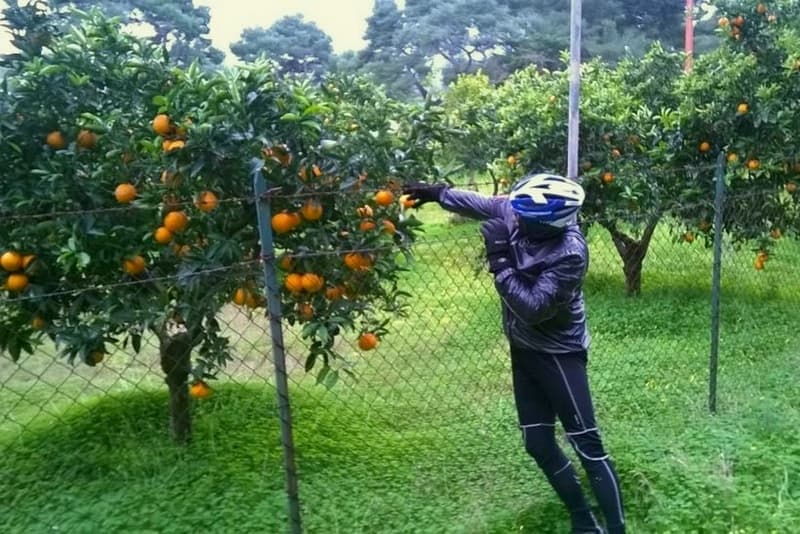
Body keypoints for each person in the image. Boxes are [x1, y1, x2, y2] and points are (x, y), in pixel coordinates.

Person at [403, 174, 626, 534]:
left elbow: (533, 308)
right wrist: (439, 194)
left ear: (548, 224)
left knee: (587, 444)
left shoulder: (569, 252)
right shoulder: (519, 210)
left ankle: (616, 529)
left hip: (559, 354)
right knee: (538, 444)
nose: (514, 219)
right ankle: (583, 521)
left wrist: (500, 260)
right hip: (523, 349)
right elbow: (487, 205)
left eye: (523, 218)